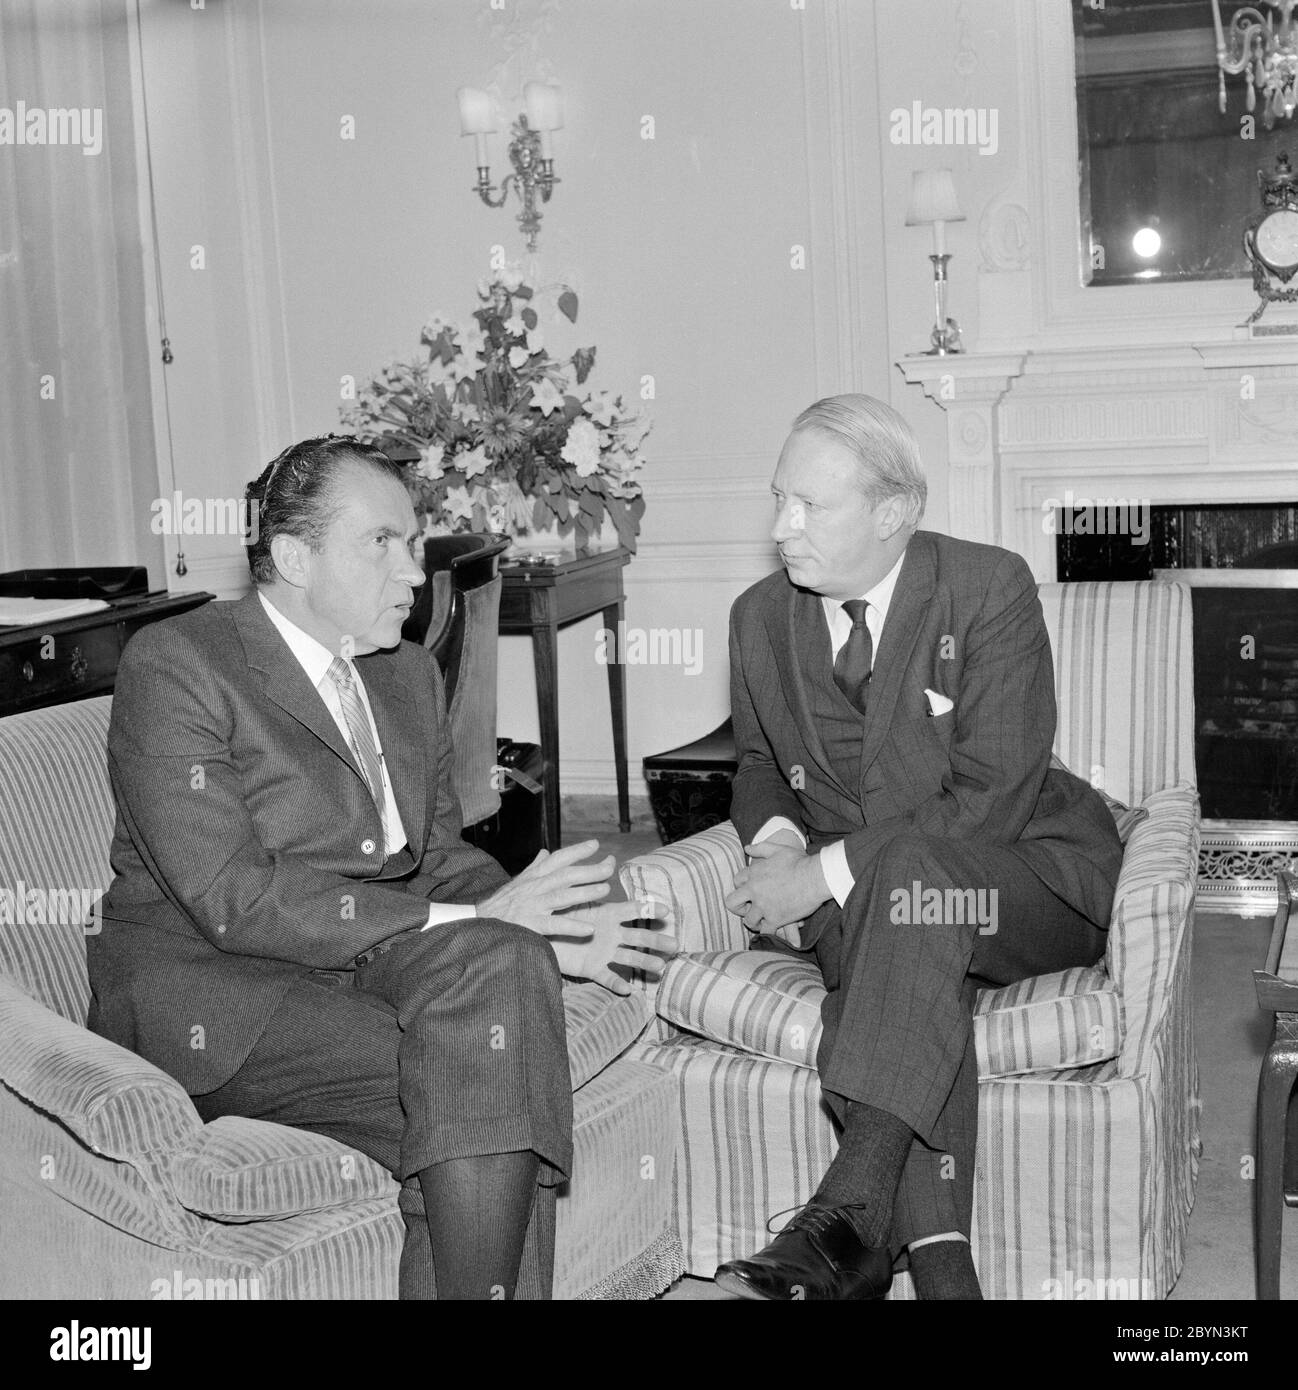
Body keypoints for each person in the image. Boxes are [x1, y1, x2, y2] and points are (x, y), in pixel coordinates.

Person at [86, 435, 674, 1300]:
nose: (415, 572)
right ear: (293, 557)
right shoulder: (180, 664)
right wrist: (485, 923)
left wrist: (554, 926)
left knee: (504, 993)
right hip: (222, 996)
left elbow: (437, 860)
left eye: (414, 541)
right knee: (492, 1078)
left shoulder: (402, 674)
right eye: (383, 544)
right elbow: (233, 899)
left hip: (366, 969)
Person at [715, 395, 1122, 1301]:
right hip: (890, 913)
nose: (781, 528)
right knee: (906, 950)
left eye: (808, 506)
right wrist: (777, 845)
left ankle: (847, 1207)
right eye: (777, 498)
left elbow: (989, 799)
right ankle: (942, 1275)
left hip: (1020, 886)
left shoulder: (988, 589)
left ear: (893, 514)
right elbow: (754, 762)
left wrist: (815, 876)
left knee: (906, 882)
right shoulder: (757, 617)